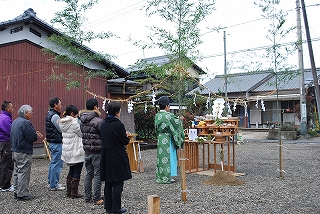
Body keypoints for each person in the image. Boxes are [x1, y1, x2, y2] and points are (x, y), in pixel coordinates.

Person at [100, 101, 132, 214]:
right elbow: (124, 141)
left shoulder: (103, 124)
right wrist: (127, 135)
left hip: (106, 155)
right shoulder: (118, 125)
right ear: (117, 112)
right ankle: (116, 208)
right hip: (117, 155)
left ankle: (108, 207)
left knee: (108, 183)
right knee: (118, 182)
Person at [10, 105, 43, 201]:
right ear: (26, 113)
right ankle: (22, 193)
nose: (32, 114)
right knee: (24, 172)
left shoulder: (15, 121)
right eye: (31, 112)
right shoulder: (25, 123)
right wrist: (36, 136)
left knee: (17, 172)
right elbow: (31, 137)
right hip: (23, 151)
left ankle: (16, 191)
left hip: (15, 149)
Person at [154, 96, 184, 184]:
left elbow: (156, 128)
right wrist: (180, 120)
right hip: (167, 139)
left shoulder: (157, 115)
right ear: (167, 106)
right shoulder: (168, 115)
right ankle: (168, 176)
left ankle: (161, 176)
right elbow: (176, 124)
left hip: (160, 138)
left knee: (161, 158)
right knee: (169, 157)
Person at [79, 98, 103, 205]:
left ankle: (88, 197)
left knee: (89, 174)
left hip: (87, 151)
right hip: (97, 151)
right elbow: (103, 136)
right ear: (95, 107)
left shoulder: (81, 120)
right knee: (98, 174)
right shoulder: (98, 121)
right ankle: (97, 197)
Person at [58, 105, 85, 199]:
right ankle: (74, 192)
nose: (77, 116)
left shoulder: (62, 123)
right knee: (77, 170)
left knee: (71, 170)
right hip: (76, 150)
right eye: (77, 115)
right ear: (73, 114)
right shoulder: (74, 123)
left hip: (67, 151)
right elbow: (81, 134)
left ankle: (69, 191)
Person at [46, 97, 65, 190]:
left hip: (52, 141)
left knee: (53, 162)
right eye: (59, 104)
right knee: (57, 163)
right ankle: (54, 184)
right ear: (55, 105)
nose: (61, 106)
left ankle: (51, 182)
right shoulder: (55, 116)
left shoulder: (50, 114)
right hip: (57, 142)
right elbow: (61, 128)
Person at [0, 100, 14, 192]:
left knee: (3, 163)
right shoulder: (5, 119)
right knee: (7, 164)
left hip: (2, 143)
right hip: (5, 142)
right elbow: (10, 131)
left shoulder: (3, 117)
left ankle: (2, 183)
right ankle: (5, 185)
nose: (13, 109)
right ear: (7, 108)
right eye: (11, 107)